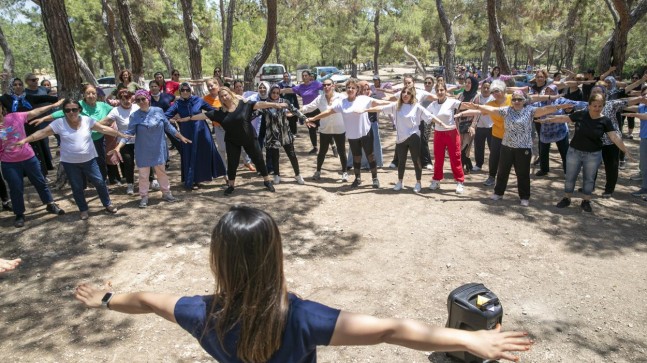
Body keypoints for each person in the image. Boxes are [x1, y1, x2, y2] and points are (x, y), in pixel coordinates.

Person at [74, 205, 533, 363]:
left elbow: (150, 300)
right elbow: (391, 330)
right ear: (275, 255)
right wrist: (468, 342)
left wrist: (108, 299)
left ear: (218, 260)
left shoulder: (201, 313)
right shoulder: (301, 318)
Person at [15, 99, 129, 220]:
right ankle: (83, 209)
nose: (71, 112)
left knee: (100, 182)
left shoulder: (87, 120)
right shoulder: (59, 123)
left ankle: (107, 204)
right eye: (67, 110)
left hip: (89, 160)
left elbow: (104, 129)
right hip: (70, 163)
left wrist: (121, 135)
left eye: (74, 109)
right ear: (64, 112)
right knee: (77, 187)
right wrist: (25, 140)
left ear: (79, 110)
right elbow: (42, 133)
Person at [464, 90, 574, 206]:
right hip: (507, 146)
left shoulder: (530, 110)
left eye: (519, 99)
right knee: (502, 171)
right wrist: (476, 106)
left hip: (523, 148)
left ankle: (524, 196)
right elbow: (491, 109)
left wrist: (560, 106)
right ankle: (498, 193)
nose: (517, 102)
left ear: (524, 101)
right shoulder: (506, 110)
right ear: (511, 101)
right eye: (514, 99)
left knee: (523, 173)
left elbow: (545, 110)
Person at [542, 93, 632, 212]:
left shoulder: (605, 120)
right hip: (574, 152)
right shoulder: (581, 114)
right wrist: (547, 119)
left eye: (600, 106)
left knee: (589, 179)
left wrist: (625, 150)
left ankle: (586, 201)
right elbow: (564, 118)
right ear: (589, 105)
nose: (597, 108)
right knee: (570, 177)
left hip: (593, 155)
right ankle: (566, 198)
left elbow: (614, 137)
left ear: (603, 106)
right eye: (594, 106)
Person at [191, 87, 284, 196]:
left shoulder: (244, 104)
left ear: (230, 94)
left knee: (258, 159)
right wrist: (187, 118)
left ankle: (267, 181)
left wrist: (274, 104)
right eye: (221, 96)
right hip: (232, 141)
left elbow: (259, 104)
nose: (224, 97)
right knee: (232, 163)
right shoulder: (220, 112)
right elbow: (203, 115)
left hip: (249, 138)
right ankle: (231, 185)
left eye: (225, 95)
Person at [110, 90, 191, 208]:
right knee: (143, 175)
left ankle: (166, 193)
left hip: (158, 148)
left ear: (148, 99)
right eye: (138, 100)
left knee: (161, 172)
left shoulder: (158, 111)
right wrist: (118, 147)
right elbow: (128, 133)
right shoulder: (134, 115)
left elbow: (168, 127)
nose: (141, 102)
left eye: (143, 99)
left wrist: (181, 137)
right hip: (143, 150)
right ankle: (144, 196)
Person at [360, 85, 448, 192]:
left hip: (414, 136)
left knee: (416, 160)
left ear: (412, 95)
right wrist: (365, 110)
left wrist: (441, 123)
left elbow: (429, 116)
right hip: (401, 138)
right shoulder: (396, 106)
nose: (405, 95)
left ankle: (418, 182)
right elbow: (380, 108)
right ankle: (400, 182)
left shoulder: (417, 107)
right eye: (404, 92)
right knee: (401, 161)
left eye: (408, 93)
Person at [306, 78, 390, 189]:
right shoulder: (342, 103)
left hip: (366, 133)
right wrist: (313, 118)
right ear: (346, 89)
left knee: (370, 156)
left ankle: (375, 178)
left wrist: (398, 103)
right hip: (352, 135)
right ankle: (357, 178)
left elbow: (380, 103)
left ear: (357, 89)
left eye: (353, 88)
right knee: (356, 157)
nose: (350, 89)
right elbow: (327, 112)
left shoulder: (363, 99)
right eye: (348, 87)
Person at [1, 101, 65, 228]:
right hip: (9, 163)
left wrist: (53, 105)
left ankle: (50, 204)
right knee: (16, 188)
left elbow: (35, 112)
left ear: (2, 108)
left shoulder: (14, 117)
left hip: (29, 158)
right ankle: (19, 214)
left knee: (40, 182)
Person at [32, 84, 114, 183]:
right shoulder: (78, 105)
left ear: (97, 95)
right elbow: (60, 114)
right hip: (81, 141)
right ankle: (84, 185)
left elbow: (117, 112)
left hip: (98, 140)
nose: (91, 95)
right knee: (82, 163)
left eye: (93, 93)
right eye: (88, 93)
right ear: (84, 95)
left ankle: (102, 182)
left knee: (100, 162)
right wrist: (43, 118)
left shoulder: (103, 106)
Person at [164, 82, 226, 190]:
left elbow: (212, 110)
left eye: (187, 90)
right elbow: (165, 116)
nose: (185, 92)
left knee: (210, 151)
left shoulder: (199, 100)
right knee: (190, 154)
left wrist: (226, 109)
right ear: (180, 91)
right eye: (182, 90)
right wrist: (172, 120)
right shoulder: (177, 104)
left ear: (190, 90)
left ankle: (224, 175)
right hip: (187, 132)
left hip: (202, 130)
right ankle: (192, 180)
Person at [1, 77, 59, 175]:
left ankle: (41, 173)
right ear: (11, 86)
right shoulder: (5, 98)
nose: (18, 86)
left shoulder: (28, 97)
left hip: (31, 128)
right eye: (15, 85)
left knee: (36, 151)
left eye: (20, 84)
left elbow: (45, 98)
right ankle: (23, 175)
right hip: (16, 131)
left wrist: (60, 99)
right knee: (18, 151)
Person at [300, 78, 348, 182]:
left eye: (328, 85)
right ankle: (318, 172)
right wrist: (298, 110)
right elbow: (309, 107)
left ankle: (344, 172)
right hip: (325, 129)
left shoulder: (341, 97)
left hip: (339, 128)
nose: (326, 87)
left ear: (333, 86)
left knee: (341, 151)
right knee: (322, 151)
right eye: (324, 85)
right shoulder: (320, 98)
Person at [427, 81, 471, 194]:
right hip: (438, 134)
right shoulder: (433, 105)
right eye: (437, 90)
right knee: (438, 158)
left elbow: (464, 105)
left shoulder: (451, 102)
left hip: (451, 133)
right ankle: (436, 180)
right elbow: (426, 115)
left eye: (442, 90)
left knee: (455, 157)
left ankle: (460, 182)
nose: (440, 92)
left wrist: (477, 106)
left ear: (446, 91)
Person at [260, 85, 306, 185]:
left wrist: (304, 118)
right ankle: (277, 175)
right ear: (270, 92)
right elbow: (254, 113)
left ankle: (297, 174)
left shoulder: (285, 102)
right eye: (273, 92)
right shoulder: (265, 104)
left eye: (277, 93)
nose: (275, 95)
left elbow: (295, 110)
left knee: (292, 155)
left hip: (285, 133)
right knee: (275, 157)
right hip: (272, 135)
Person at [280, 70, 333, 154]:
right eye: (303, 76)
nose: (304, 77)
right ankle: (315, 147)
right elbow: (290, 90)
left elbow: (326, 87)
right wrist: (279, 90)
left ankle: (333, 145)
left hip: (318, 110)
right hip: (308, 111)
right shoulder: (300, 87)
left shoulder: (316, 84)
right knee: (311, 129)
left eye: (306, 75)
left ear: (309, 76)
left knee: (324, 128)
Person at [99, 89, 139, 195]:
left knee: (144, 161)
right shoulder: (116, 110)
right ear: (119, 100)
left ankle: (151, 180)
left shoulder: (137, 107)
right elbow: (106, 121)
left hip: (140, 140)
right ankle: (130, 184)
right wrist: (91, 125)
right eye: (123, 98)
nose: (126, 100)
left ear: (132, 98)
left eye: (128, 97)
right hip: (124, 142)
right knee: (128, 162)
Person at [623, 86, 647, 199]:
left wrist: (634, 115)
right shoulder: (642, 106)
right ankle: (645, 187)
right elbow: (632, 108)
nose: (646, 96)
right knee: (644, 164)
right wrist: (620, 106)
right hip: (644, 138)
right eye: (644, 94)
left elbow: (645, 116)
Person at [472, 81, 494, 172]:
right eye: (484, 87)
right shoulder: (477, 98)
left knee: (493, 148)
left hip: (492, 127)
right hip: (479, 126)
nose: (485, 89)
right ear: (481, 88)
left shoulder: (494, 99)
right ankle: (478, 164)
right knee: (478, 147)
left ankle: (493, 166)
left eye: (488, 88)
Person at [277, 72, 301, 137]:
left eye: (287, 76)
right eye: (284, 76)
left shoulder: (292, 85)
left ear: (289, 77)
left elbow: (299, 93)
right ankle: (284, 133)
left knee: (292, 119)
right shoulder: (279, 85)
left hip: (292, 105)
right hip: (282, 104)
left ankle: (293, 133)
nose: (286, 77)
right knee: (283, 119)